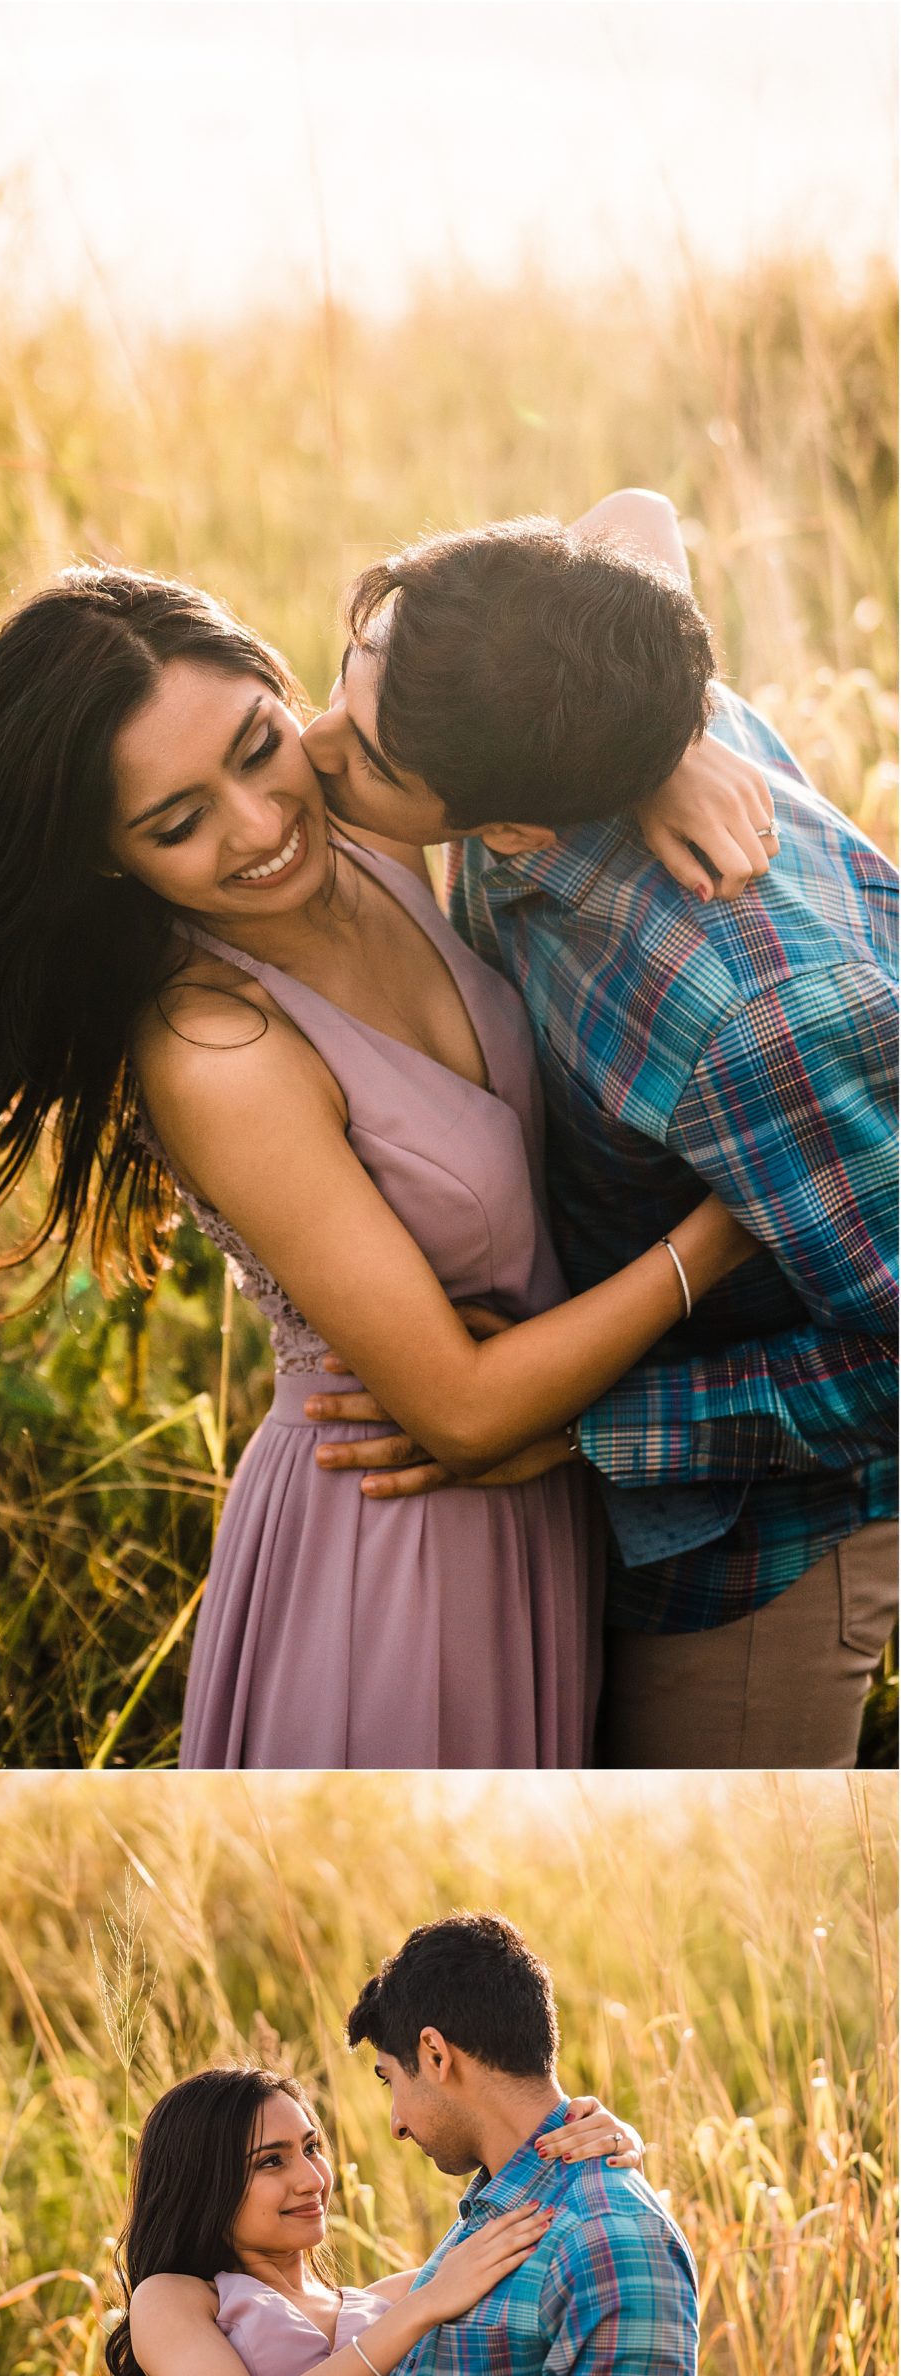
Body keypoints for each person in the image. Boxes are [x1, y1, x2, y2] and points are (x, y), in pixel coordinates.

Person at [0, 511, 759, 1769]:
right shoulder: (217, 1047)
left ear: (279, 688)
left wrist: (667, 744)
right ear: (107, 861)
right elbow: (465, 1413)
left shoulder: (358, 816)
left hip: (550, 1501)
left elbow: (624, 537)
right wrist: (725, 1226)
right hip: (398, 1545)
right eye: (176, 824)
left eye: (257, 747)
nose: (260, 825)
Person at [301, 490, 898, 1768]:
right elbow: (633, 513)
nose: (310, 750)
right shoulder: (582, 709)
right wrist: (674, 739)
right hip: (603, 1504)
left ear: (514, 827)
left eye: (365, 757)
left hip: (746, 1561)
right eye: (342, 686)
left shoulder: (749, 1020)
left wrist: (581, 1425)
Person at [90, 2060, 639, 2376]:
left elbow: (548, 2232)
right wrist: (420, 2309)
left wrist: (614, 2146)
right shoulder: (175, 2296)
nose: (311, 2180)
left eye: (311, 2148)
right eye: (271, 2162)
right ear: (204, 2185)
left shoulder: (391, 2299)